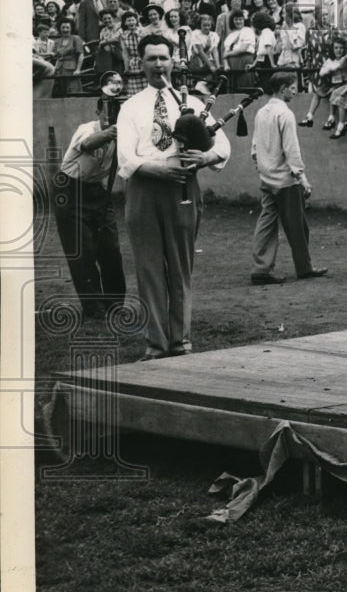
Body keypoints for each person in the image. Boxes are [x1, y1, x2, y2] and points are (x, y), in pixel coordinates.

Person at [116, 34, 231, 359]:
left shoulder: (192, 103)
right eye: (151, 58)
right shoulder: (130, 107)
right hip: (145, 190)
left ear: (173, 60)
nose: (158, 64)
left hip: (183, 189)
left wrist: (204, 159)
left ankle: (181, 343)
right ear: (141, 63)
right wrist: (159, 169)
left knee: (181, 266)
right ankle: (156, 344)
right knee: (149, 268)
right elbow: (126, 157)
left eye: (163, 58)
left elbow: (222, 146)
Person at [53, 73, 127, 319]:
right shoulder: (87, 128)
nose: (111, 116)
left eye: (116, 112)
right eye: (106, 111)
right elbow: (87, 145)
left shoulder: (124, 137)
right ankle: (93, 309)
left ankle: (115, 305)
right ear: (98, 113)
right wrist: (113, 131)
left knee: (111, 249)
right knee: (82, 252)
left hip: (97, 190)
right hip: (69, 189)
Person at [249, 72, 328, 286]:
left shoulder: (261, 112)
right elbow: (291, 149)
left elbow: (255, 148)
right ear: (283, 88)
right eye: (292, 87)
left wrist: (262, 170)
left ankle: (261, 268)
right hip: (285, 179)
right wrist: (302, 178)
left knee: (266, 223)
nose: (295, 91)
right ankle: (304, 267)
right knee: (298, 225)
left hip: (267, 177)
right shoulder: (285, 114)